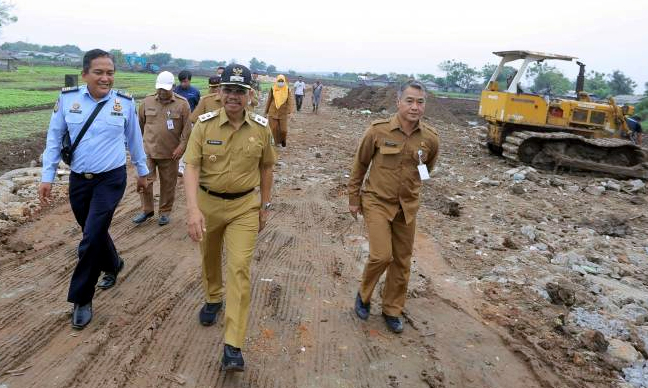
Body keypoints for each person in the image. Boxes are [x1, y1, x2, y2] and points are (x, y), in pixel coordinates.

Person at [38, 49, 149, 330]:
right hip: (79, 180)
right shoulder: (68, 100)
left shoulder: (123, 103)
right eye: (99, 72)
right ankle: (113, 263)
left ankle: (82, 298)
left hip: (110, 180)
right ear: (85, 73)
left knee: (90, 238)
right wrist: (47, 175)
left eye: (110, 72)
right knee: (93, 231)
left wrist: (143, 172)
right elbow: (53, 138)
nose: (105, 78)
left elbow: (135, 140)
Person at [184, 64, 276, 371]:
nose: (233, 96)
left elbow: (266, 168)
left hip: (244, 208)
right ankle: (213, 297)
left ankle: (233, 344)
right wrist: (193, 209)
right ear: (219, 92)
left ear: (250, 95)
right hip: (208, 203)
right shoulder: (204, 125)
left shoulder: (262, 128)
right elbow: (192, 167)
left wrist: (264, 205)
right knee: (210, 257)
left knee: (239, 268)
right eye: (228, 90)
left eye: (240, 91)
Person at [348, 81, 439, 334]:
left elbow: (426, 170)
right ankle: (364, 295)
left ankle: (392, 309)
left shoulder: (430, 138)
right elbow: (360, 165)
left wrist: (412, 191)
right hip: (377, 201)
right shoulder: (378, 131)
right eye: (409, 101)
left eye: (420, 102)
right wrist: (353, 198)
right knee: (381, 255)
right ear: (398, 102)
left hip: (407, 207)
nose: (415, 107)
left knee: (401, 260)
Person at [133, 71, 192, 226]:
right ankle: (147, 210)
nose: (161, 92)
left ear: (172, 87)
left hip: (170, 153)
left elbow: (187, 130)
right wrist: (138, 148)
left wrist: (182, 147)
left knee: (168, 184)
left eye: (165, 89)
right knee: (145, 181)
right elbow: (139, 125)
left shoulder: (182, 104)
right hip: (148, 151)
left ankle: (165, 212)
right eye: (159, 88)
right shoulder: (147, 101)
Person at [264, 74, 294, 147]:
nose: (280, 82)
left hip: (283, 113)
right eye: (279, 81)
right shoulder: (273, 88)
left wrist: (290, 112)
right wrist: (265, 112)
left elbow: (290, 101)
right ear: (277, 81)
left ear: (284, 81)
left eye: (282, 81)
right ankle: (275, 143)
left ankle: (283, 141)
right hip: (273, 111)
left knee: (284, 130)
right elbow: (269, 100)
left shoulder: (287, 89)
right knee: (274, 129)